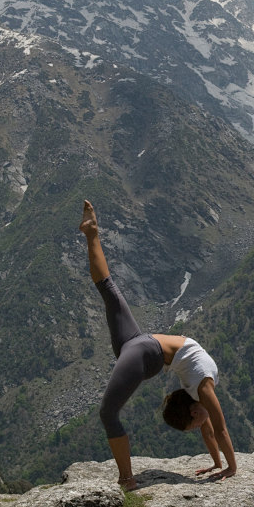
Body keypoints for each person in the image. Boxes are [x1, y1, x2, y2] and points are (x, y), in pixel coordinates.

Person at [79, 199, 237, 489]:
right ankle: (127, 479)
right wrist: (231, 468)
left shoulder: (198, 393)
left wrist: (216, 463)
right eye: (196, 424)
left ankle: (92, 233)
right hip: (144, 353)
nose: (201, 425)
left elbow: (210, 432)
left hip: (139, 342)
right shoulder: (204, 386)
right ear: (192, 411)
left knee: (109, 290)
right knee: (107, 413)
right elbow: (221, 428)